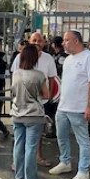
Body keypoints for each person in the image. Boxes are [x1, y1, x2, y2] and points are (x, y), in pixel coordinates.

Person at [49, 30, 90, 179]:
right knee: (61, 136)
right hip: (63, 106)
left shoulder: (89, 57)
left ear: (76, 41)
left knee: (82, 140)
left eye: (66, 40)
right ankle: (65, 162)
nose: (63, 43)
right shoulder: (69, 59)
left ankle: (83, 171)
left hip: (79, 108)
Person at [10, 32, 58, 167]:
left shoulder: (48, 59)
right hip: (22, 104)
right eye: (34, 40)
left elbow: (52, 78)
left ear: (44, 43)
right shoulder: (20, 57)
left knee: (37, 136)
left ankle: (38, 157)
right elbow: (14, 77)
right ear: (29, 42)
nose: (37, 43)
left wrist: (49, 98)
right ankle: (18, 163)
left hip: (40, 105)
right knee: (21, 138)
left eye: (40, 40)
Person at [10, 44, 49, 179]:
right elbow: (47, 94)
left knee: (18, 147)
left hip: (17, 114)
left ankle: (18, 177)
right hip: (34, 115)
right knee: (31, 149)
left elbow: (14, 92)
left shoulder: (16, 73)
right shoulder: (39, 75)